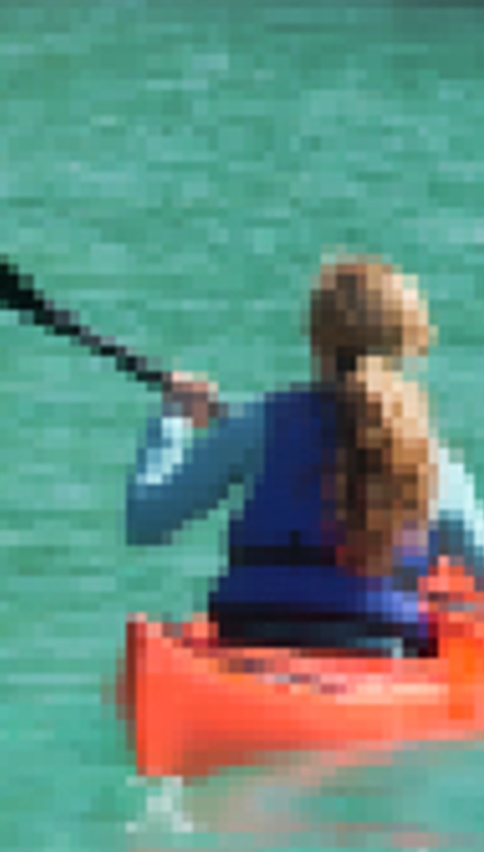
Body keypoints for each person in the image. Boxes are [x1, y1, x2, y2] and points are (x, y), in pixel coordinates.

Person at [128, 251, 484, 654]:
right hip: (378, 652)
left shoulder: (258, 424)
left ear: (316, 339)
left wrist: (172, 418)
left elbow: (147, 520)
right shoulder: (432, 458)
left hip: (249, 638)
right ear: (407, 345)